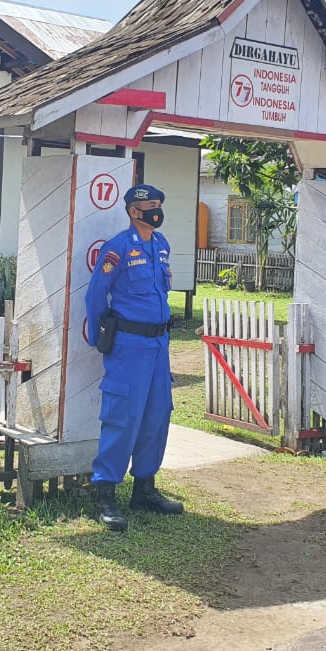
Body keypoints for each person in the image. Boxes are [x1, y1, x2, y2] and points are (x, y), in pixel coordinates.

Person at [85, 183, 184, 531]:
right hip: (128, 346)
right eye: (150, 205)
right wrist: (102, 336)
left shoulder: (162, 245)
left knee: (158, 414)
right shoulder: (118, 248)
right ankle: (106, 492)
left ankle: (144, 487)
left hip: (159, 346)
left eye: (159, 203)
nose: (156, 210)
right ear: (133, 211)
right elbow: (97, 295)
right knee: (122, 415)